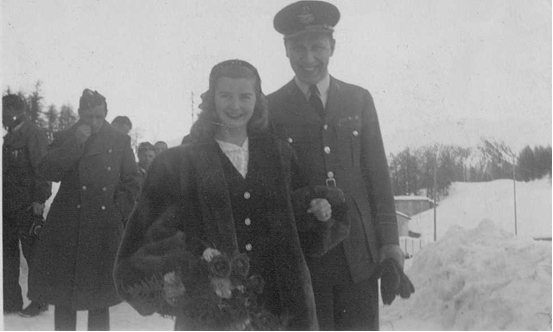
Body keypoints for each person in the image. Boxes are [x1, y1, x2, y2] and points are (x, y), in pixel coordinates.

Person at [113, 60, 345, 330]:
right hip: (211, 314)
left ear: (257, 100)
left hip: (282, 308)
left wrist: (317, 213)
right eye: (226, 96)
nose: (236, 106)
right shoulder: (180, 164)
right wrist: (192, 264)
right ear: (212, 99)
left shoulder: (279, 154)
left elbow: (304, 234)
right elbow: (149, 237)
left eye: (245, 97)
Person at [269, 1, 405, 330]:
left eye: (317, 46)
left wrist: (390, 243)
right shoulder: (270, 108)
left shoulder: (359, 99)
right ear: (285, 49)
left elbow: (377, 175)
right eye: (298, 47)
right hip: (306, 257)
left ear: (332, 46)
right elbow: (272, 187)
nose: (308, 58)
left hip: (359, 254)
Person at [28, 89, 141, 330]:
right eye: (89, 117)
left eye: (99, 117)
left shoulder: (120, 141)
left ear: (106, 114)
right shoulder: (65, 137)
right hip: (68, 225)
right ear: (79, 114)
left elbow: (133, 180)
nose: (94, 123)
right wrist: (75, 143)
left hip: (103, 226)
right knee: (64, 297)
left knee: (99, 299)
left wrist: (118, 210)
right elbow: (47, 171)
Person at [2, 94, 52, 317]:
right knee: (7, 255)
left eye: (4, 110)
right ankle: (10, 302)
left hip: (27, 207)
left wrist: (40, 201)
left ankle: (40, 301)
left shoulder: (34, 133)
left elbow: (43, 169)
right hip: (8, 207)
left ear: (15, 111)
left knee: (34, 255)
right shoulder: (10, 136)